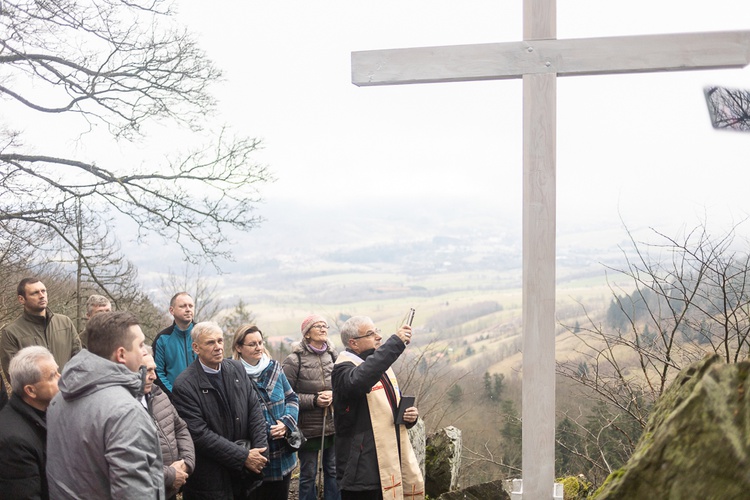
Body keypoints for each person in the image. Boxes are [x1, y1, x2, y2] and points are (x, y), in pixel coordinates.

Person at [46, 311, 164, 499]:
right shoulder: (125, 413)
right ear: (121, 354)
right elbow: (133, 493)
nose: (144, 351)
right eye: (140, 345)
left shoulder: (57, 401)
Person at [172, 321, 268, 499]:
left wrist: (261, 451)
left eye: (220, 341)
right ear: (196, 347)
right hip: (210, 478)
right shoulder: (185, 385)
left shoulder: (236, 369)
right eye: (210, 342)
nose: (217, 347)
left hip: (244, 474)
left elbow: (254, 409)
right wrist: (243, 457)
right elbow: (200, 435)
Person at [331, 316, 425, 500]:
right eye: (371, 333)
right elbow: (360, 380)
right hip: (360, 471)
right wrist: (395, 343)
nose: (378, 337)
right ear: (353, 343)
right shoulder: (342, 371)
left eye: (377, 331)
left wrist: (408, 417)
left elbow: (390, 407)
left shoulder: (379, 368)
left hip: (387, 461)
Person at [233, 324, 299, 500]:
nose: (258, 347)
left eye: (260, 342)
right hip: (256, 457)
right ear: (239, 348)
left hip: (283, 454)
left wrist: (286, 423)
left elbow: (292, 398)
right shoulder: (233, 376)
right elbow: (234, 417)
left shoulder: (275, 368)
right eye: (252, 344)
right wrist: (265, 430)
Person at [282, 314, 340, 500]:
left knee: (332, 469)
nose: (324, 329)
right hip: (307, 427)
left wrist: (334, 395)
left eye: (325, 326)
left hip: (331, 423)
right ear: (307, 334)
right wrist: (314, 400)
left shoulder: (333, 355)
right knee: (308, 473)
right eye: (318, 326)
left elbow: (342, 385)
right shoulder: (294, 360)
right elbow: (286, 396)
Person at [0, 346, 60, 499]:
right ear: (30, 391)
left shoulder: (48, 412)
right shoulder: (13, 442)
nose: (61, 378)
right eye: (52, 376)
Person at [0, 278, 80, 380]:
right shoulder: (11, 332)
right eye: (35, 293)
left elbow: (78, 359)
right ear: (21, 299)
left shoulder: (65, 323)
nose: (42, 296)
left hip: (69, 392)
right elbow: (13, 375)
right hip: (35, 395)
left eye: (43, 291)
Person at [143, 346, 196, 500]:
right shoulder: (125, 406)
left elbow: (180, 428)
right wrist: (170, 475)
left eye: (153, 370)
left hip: (171, 490)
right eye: (147, 371)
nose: (153, 376)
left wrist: (186, 463)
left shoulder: (160, 395)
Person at [154, 292, 197, 394]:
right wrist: (173, 394)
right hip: (174, 399)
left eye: (191, 306)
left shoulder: (203, 334)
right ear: (171, 310)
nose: (188, 309)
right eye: (183, 306)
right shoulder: (162, 339)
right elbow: (157, 372)